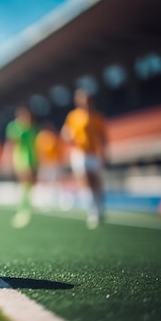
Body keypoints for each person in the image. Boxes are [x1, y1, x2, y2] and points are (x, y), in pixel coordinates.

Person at [61, 88, 107, 228]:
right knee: (85, 182)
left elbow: (103, 137)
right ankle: (92, 212)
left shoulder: (97, 117)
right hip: (79, 154)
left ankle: (100, 208)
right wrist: (69, 136)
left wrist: (105, 153)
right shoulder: (73, 116)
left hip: (93, 154)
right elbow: (65, 132)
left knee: (96, 183)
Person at [4, 106, 39, 228]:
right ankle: (23, 210)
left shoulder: (33, 128)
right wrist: (7, 159)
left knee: (29, 185)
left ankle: (25, 209)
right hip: (21, 160)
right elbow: (11, 144)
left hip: (33, 159)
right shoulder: (15, 127)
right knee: (25, 184)